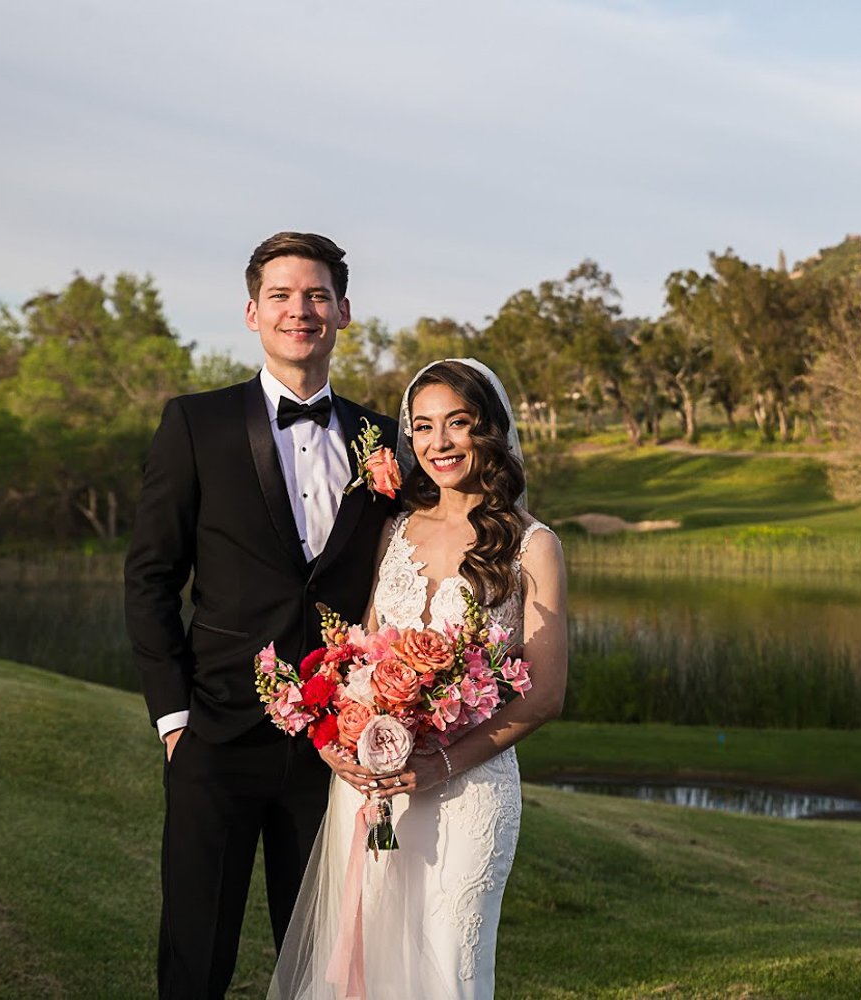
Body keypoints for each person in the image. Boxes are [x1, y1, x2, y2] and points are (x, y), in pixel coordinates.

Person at [125, 232, 398, 999]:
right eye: (281, 295)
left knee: (322, 959)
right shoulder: (195, 425)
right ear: (252, 313)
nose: (299, 310)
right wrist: (174, 719)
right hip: (216, 730)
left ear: (343, 311)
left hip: (336, 742)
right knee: (196, 951)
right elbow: (149, 579)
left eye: (315, 295)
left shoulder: (384, 439)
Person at [268, 359, 568, 1000]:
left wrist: (443, 764)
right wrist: (334, 741)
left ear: (488, 431)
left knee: (450, 966)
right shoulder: (396, 530)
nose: (438, 444)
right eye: (423, 427)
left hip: (470, 792)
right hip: (375, 786)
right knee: (370, 967)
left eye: (457, 424)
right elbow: (356, 656)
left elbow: (545, 693)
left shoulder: (532, 543)